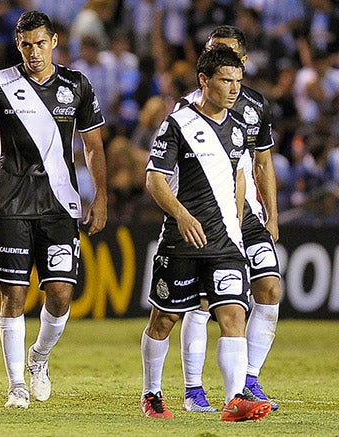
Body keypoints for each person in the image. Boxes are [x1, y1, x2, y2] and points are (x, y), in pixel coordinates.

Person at [0, 10, 108, 409]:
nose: (34, 52)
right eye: (26, 45)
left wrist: (101, 195)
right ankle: (16, 384)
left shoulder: (76, 85)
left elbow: (93, 145)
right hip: (10, 201)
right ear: (18, 46)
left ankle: (39, 357)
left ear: (54, 42)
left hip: (59, 202)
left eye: (40, 43)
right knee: (13, 296)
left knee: (62, 294)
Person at [140, 44, 271, 422]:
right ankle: (152, 392)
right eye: (226, 81)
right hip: (183, 239)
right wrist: (181, 216)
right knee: (164, 320)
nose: (234, 89)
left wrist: (238, 222)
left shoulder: (240, 128)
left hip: (225, 242)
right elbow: (154, 179)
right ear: (204, 80)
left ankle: (234, 400)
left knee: (234, 316)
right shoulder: (177, 123)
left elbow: (240, 176)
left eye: (238, 81)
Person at [175, 25, 283, 414]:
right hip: (206, 215)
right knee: (202, 302)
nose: (219, 58)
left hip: (247, 215)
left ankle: (248, 380)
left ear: (244, 61)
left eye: (228, 53)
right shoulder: (186, 108)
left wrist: (272, 214)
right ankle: (193, 389)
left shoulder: (256, 106)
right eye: (212, 51)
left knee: (269, 289)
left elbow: (262, 163)